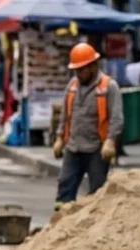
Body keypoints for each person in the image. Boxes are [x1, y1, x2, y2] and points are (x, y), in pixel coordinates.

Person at [52, 43, 124, 210]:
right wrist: (59, 137)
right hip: (74, 147)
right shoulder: (72, 86)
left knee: (97, 194)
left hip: (96, 150)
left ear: (92, 66)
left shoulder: (109, 87)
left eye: (81, 69)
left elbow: (117, 117)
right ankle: (61, 226)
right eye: (76, 70)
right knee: (64, 187)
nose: (78, 73)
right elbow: (66, 115)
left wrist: (110, 141)